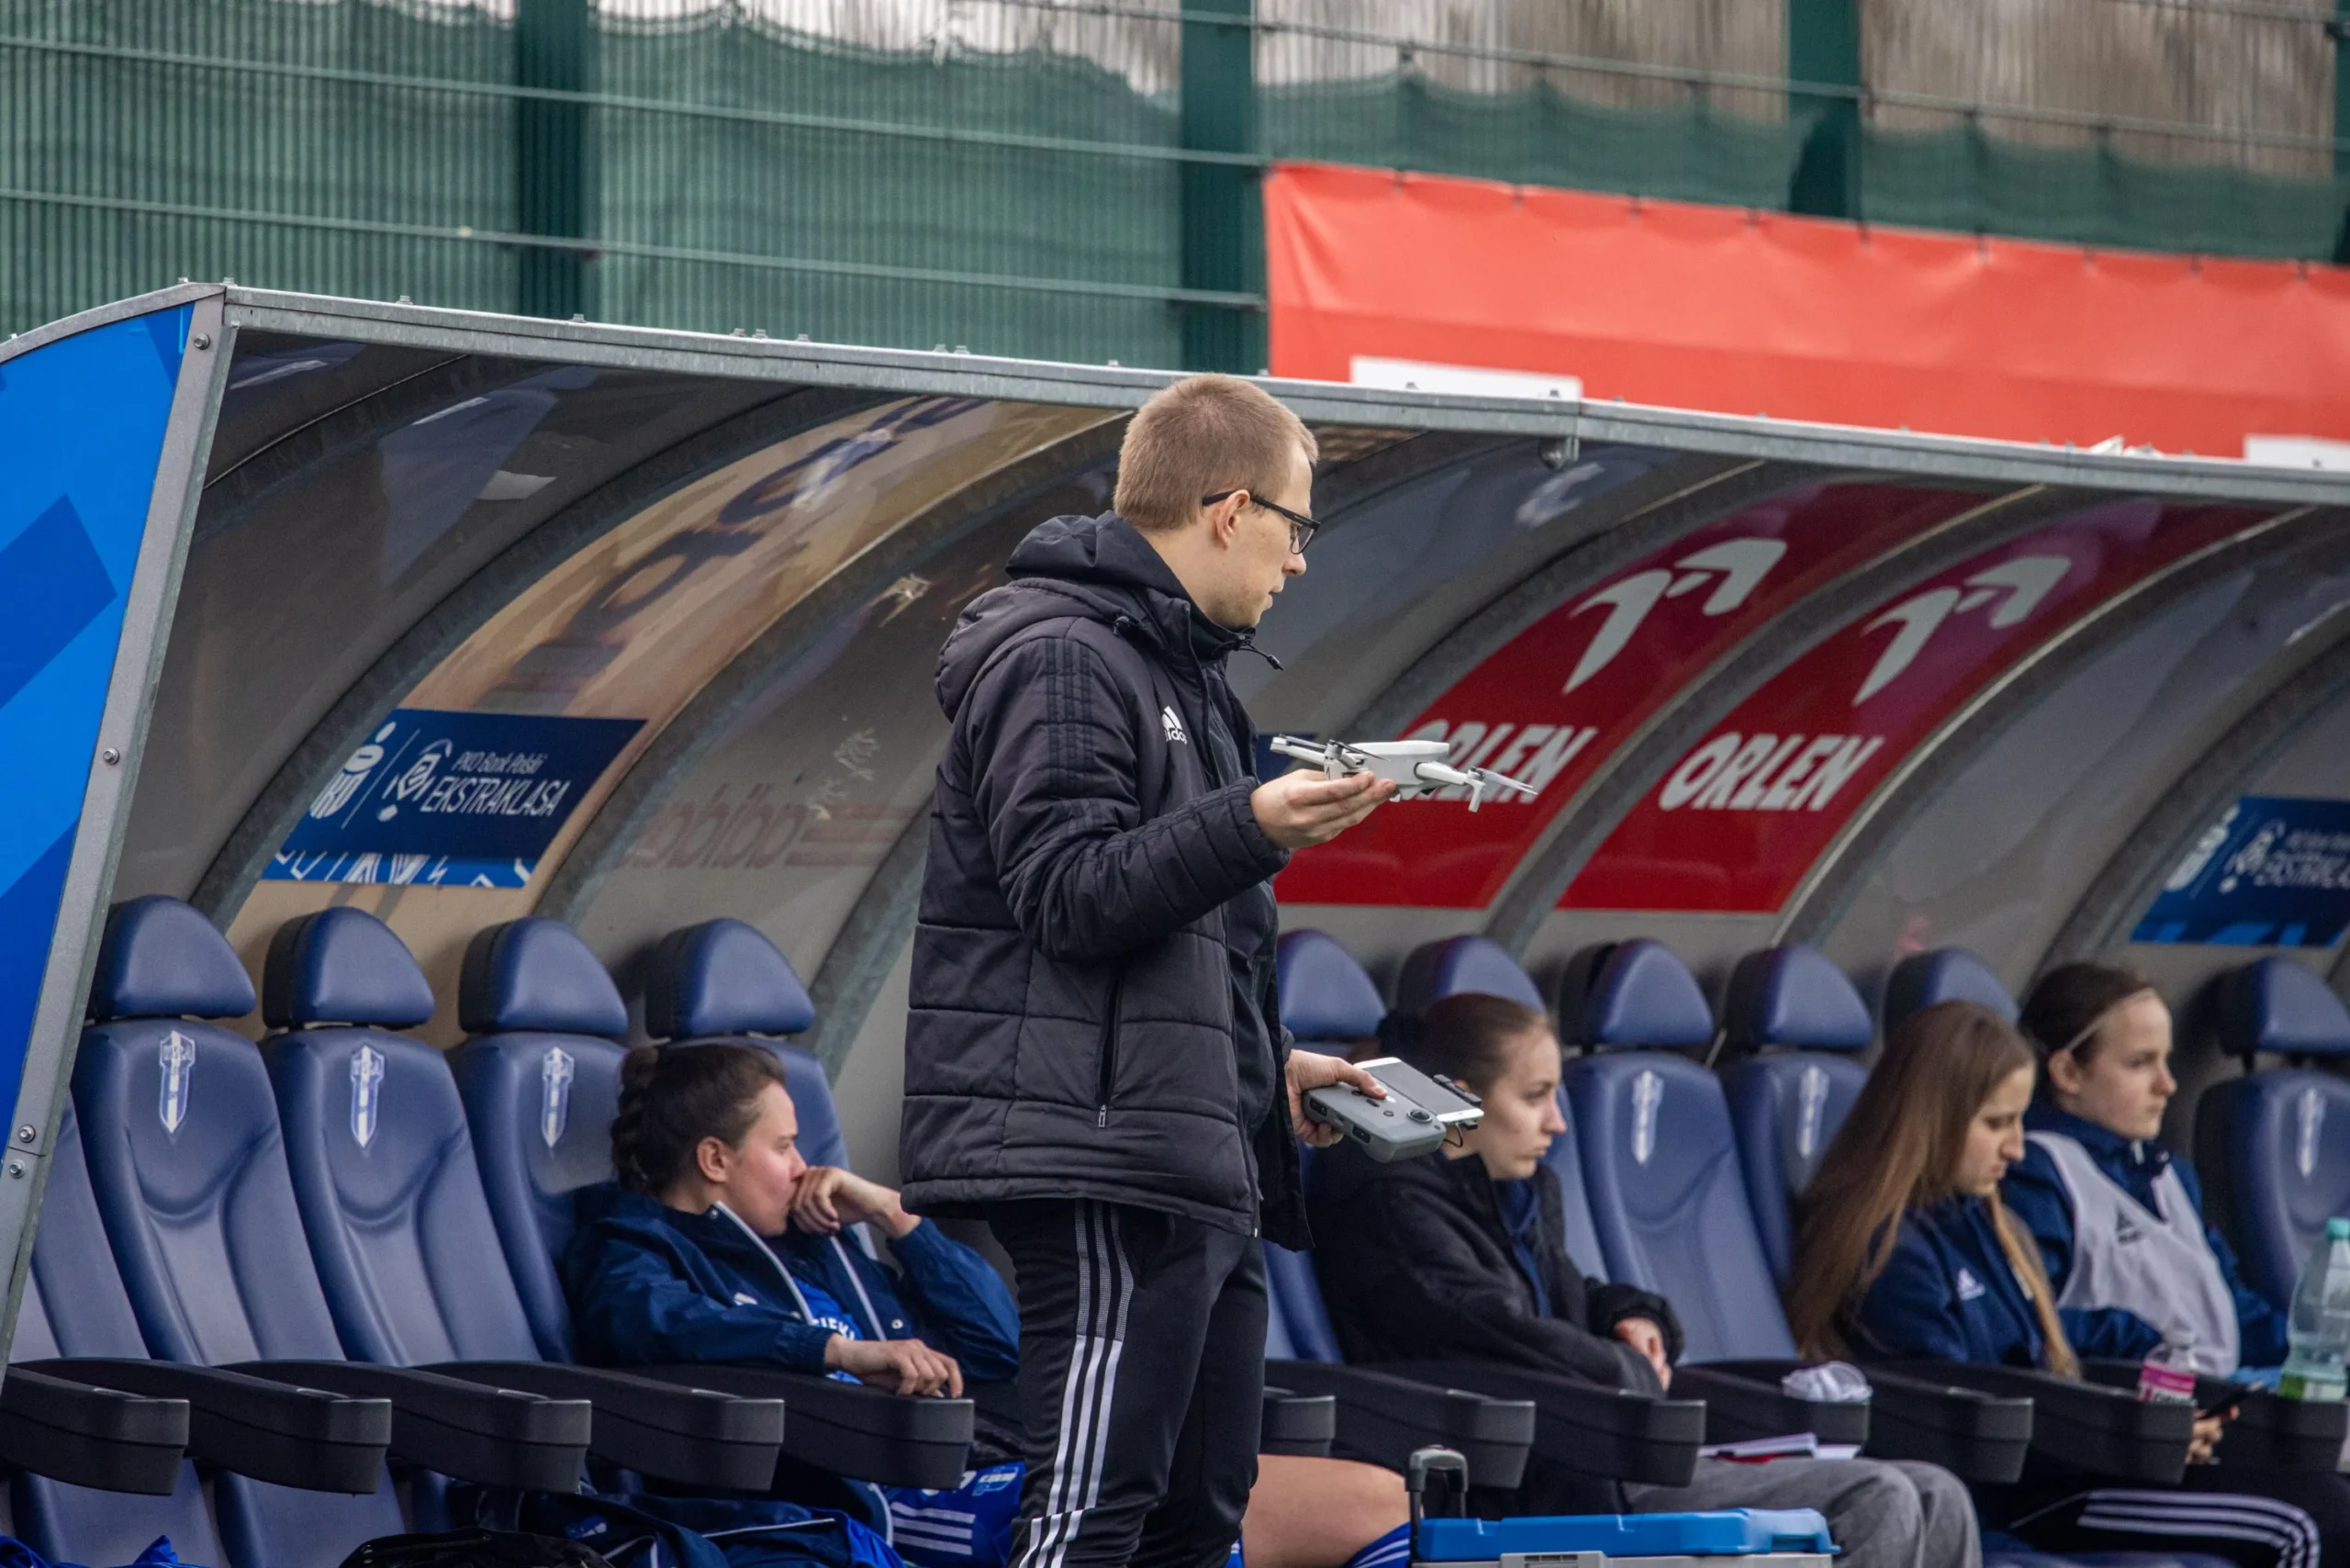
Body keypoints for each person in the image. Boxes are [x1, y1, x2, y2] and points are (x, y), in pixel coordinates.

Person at [901, 374, 1398, 1568]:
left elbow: (1180, 944)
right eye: (1297, 527)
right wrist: (1254, 822)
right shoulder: (1063, 656)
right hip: (1102, 1161)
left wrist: (1268, 1066)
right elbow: (1069, 894)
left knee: (1198, 1516)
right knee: (1090, 1512)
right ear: (1229, 511)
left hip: (1193, 1159)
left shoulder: (1184, 670)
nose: (1300, 562)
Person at [566, 1043, 1412, 1568]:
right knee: (1240, 1520)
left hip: (993, 1460)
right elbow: (650, 1323)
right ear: (715, 1159)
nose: (801, 1167)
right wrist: (838, 1353)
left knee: (1383, 1502)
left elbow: (1000, 1346)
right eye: (784, 1147)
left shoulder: (819, 1243)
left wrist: (898, 1219)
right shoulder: (632, 1248)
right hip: (901, 1498)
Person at [1309, 993, 1981, 1568]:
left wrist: (1635, 1317)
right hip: (1539, 1477)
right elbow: (1491, 1327)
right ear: (1458, 1098)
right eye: (1536, 1098)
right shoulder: (1390, 1202)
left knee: (1937, 1492)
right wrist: (1629, 1374)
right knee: (1877, 1499)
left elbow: (1570, 1298)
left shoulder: (1502, 1192)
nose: (1557, 1123)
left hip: (1602, 1450)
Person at [1787, 1001, 2323, 1568]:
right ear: (1932, 1120)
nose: (2016, 1148)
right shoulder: (1891, 1255)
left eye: (2018, 1122)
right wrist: (2124, 1437)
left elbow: (2042, 1346)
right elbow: (1961, 1415)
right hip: (2009, 1502)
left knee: (2323, 1500)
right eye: (1997, 1124)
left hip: (2056, 1475)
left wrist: (2153, 1382)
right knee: (2302, 1526)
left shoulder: (1983, 1221)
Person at [2003, 963, 2286, 1372]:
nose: (2166, 1085)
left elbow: (2232, 1313)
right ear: (2067, 1072)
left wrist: (2320, 1346)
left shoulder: (2169, 1173)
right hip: (2122, 1402)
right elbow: (2025, 1320)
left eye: (2165, 1061)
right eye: (2140, 1063)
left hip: (2210, 1396)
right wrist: (2151, 1346)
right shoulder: (2034, 1174)